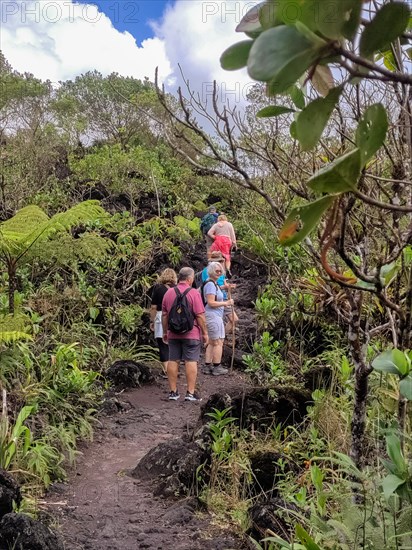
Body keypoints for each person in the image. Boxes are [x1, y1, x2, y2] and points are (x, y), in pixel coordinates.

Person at [162, 267, 208, 401]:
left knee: (173, 359)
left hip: (173, 333)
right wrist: (204, 333)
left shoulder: (169, 293)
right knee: (191, 360)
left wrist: (165, 332)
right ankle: (190, 393)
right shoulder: (194, 293)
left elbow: (165, 315)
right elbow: (200, 315)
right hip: (191, 332)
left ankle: (173, 392)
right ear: (189, 279)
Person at [201, 261, 234, 376]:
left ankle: (207, 365)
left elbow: (214, 291)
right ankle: (216, 366)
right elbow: (210, 302)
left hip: (213, 316)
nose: (219, 273)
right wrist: (226, 303)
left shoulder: (212, 283)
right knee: (218, 342)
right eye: (217, 271)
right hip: (213, 316)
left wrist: (224, 287)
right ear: (211, 271)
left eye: (220, 271)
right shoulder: (210, 284)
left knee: (211, 341)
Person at [201, 251, 238, 336]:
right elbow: (209, 287)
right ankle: (218, 338)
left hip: (223, 297)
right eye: (219, 261)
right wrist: (224, 289)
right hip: (216, 299)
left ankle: (221, 336)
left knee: (233, 320)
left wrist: (228, 286)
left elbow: (223, 283)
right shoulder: (208, 271)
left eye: (221, 261)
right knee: (232, 319)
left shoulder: (220, 270)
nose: (221, 263)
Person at [149, 268, 177, 377]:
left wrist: (152, 320)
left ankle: (166, 370)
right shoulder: (177, 289)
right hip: (175, 317)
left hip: (161, 316)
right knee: (174, 343)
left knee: (162, 344)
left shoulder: (158, 288)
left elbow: (153, 307)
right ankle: (174, 368)